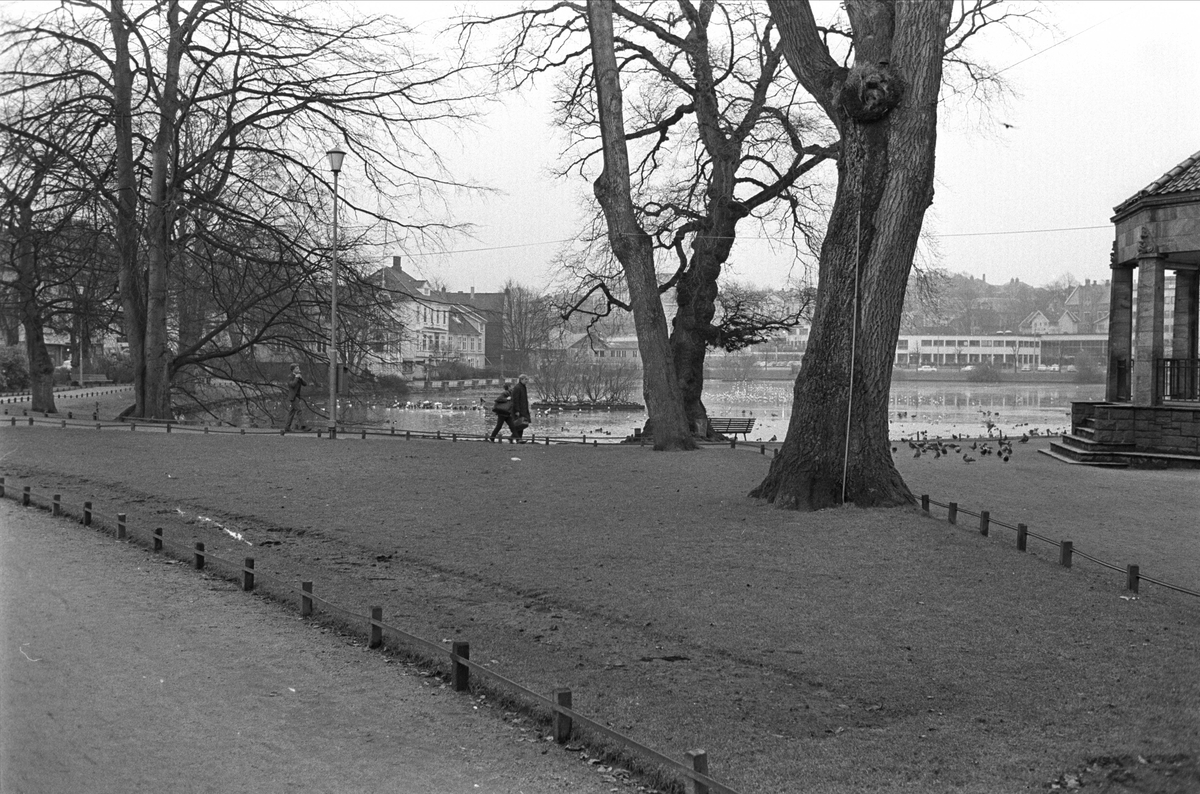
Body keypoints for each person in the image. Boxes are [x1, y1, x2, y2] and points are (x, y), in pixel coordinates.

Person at [283, 364, 306, 432]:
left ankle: (287, 427)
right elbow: (292, 384)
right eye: (297, 368)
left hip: (297, 397)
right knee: (299, 410)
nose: (298, 370)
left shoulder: (298, 377)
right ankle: (303, 426)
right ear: (293, 370)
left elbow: (305, 384)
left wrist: (301, 378)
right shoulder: (290, 377)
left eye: (298, 368)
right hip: (293, 397)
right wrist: (296, 377)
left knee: (291, 412)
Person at [510, 373, 531, 443]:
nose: (527, 381)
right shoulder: (518, 387)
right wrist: (517, 410)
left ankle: (517, 438)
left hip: (523, 409)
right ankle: (517, 438)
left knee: (522, 424)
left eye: (527, 379)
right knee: (520, 424)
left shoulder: (522, 387)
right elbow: (515, 400)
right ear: (521, 379)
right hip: (519, 409)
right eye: (526, 379)